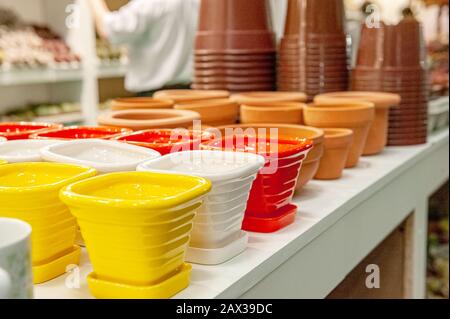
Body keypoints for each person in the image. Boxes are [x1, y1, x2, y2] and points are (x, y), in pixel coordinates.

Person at [88, 0, 200, 95]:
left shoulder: (149, 3)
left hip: (156, 99)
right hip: (189, 94)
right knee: (192, 121)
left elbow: (107, 29)